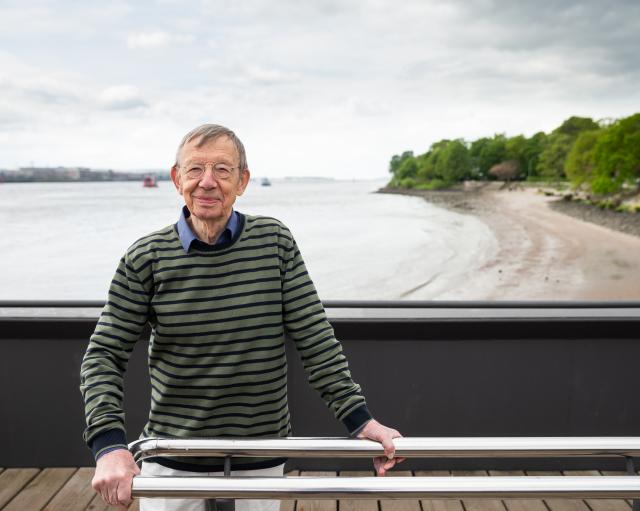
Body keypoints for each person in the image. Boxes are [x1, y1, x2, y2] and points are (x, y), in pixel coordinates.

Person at [80, 124, 402, 510]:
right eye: (195, 169)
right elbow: (103, 356)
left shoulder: (274, 242)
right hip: (172, 459)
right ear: (176, 178)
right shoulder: (145, 257)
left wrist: (361, 421)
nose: (207, 182)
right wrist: (109, 446)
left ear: (243, 180)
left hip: (259, 459)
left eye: (222, 169)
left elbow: (315, 339)